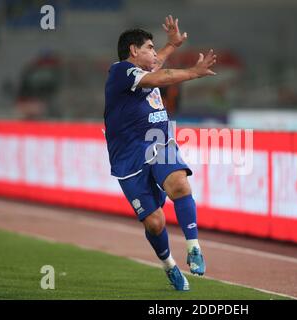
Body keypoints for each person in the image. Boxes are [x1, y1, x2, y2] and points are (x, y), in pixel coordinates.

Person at [103, 15, 217, 291]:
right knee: (155, 223)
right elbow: (162, 75)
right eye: (150, 47)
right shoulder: (120, 72)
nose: (155, 53)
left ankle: (194, 248)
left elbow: (156, 67)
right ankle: (169, 266)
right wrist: (193, 72)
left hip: (158, 141)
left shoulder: (141, 72)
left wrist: (171, 45)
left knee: (179, 183)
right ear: (133, 51)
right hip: (129, 156)